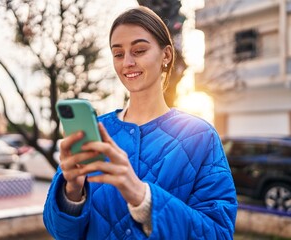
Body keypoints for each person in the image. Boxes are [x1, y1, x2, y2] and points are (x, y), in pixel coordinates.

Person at [43, 6, 238, 239]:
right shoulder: (98, 132)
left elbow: (218, 233)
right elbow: (60, 232)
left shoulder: (200, 136)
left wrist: (142, 197)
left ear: (166, 55)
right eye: (118, 54)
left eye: (139, 50)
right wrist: (72, 191)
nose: (127, 62)